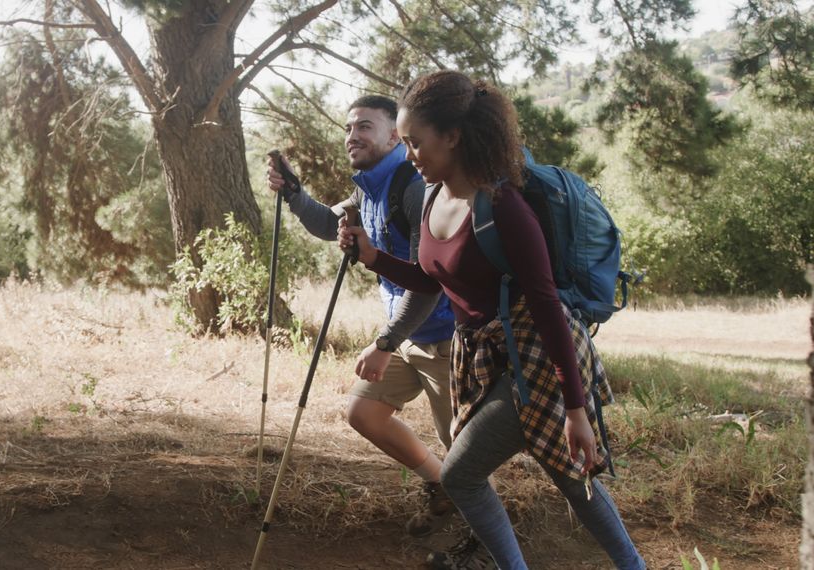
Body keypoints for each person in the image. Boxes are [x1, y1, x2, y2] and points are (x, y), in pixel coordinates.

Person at [337, 71, 645, 570]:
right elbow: (434, 277)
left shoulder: (503, 207)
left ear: (453, 137)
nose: (409, 155)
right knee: (570, 475)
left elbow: (547, 306)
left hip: (537, 356)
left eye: (416, 143)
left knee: (465, 475)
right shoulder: (434, 197)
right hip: (485, 357)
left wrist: (575, 410)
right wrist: (373, 257)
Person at [266, 95, 463, 538]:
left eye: (365, 127)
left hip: (447, 339)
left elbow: (427, 285)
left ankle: (484, 542)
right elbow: (325, 224)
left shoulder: (413, 189)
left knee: (464, 450)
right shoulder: (369, 187)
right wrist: (295, 193)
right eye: (350, 128)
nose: (353, 135)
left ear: (395, 134)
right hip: (408, 336)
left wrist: (386, 342)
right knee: (365, 413)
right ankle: (441, 485)